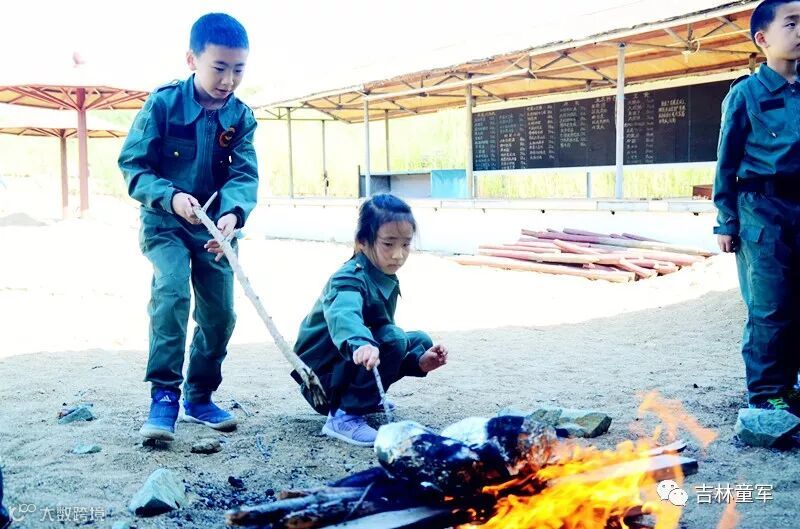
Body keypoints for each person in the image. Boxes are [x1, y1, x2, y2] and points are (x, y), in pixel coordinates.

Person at [118, 13, 259, 441]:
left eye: (238, 69)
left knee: (220, 314)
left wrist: (233, 215)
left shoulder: (240, 116)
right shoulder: (163, 104)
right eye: (220, 67)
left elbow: (244, 174)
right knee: (172, 291)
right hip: (165, 222)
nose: (229, 80)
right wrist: (172, 197)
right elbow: (134, 166)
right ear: (192, 60)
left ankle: (200, 396)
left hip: (215, 229)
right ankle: (164, 396)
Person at [291, 194, 449, 446]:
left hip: (347, 360)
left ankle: (366, 398)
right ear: (362, 242)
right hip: (321, 381)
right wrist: (360, 343)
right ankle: (343, 416)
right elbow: (344, 315)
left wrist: (418, 363)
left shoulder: (379, 272)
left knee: (420, 341)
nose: (398, 255)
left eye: (406, 244)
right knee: (393, 338)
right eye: (388, 244)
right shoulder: (348, 278)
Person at [713, 0, 800, 416]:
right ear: (762, 39)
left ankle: (792, 387)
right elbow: (726, 162)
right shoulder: (745, 94)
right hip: (761, 209)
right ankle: (767, 395)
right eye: (792, 23)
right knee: (771, 304)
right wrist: (726, 221)